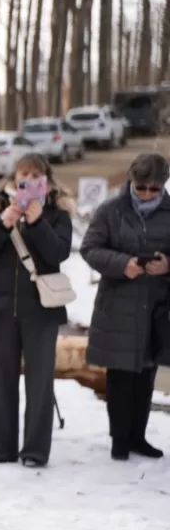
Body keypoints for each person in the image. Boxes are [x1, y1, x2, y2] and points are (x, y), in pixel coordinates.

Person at [0, 153, 73, 467]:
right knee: (0, 381)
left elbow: (58, 251)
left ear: (46, 180)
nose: (27, 179)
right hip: (1, 310)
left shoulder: (57, 213)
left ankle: (34, 451)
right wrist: (5, 223)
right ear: (14, 178)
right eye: (22, 173)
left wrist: (37, 221)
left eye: (34, 174)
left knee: (39, 383)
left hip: (41, 310)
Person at [81, 153, 170, 461]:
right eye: (141, 187)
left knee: (146, 375)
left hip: (156, 307)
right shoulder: (110, 210)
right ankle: (119, 439)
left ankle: (138, 436)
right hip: (118, 304)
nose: (147, 194)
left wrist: (167, 265)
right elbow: (90, 248)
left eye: (154, 189)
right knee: (119, 377)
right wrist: (123, 264)